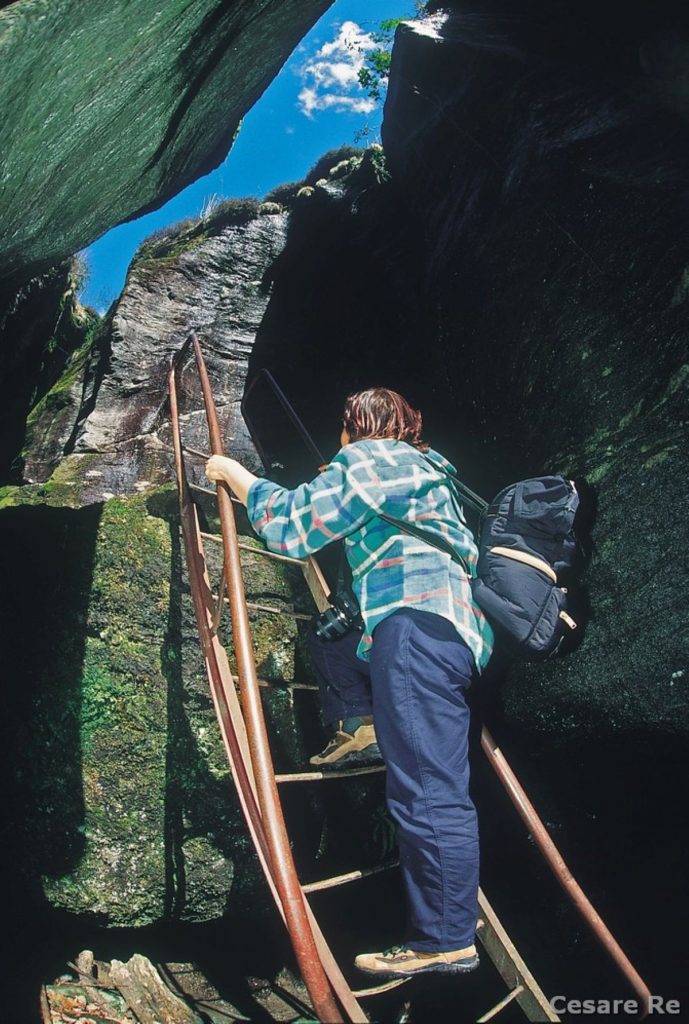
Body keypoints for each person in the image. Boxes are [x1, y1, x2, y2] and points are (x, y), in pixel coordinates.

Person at [205, 387, 494, 980]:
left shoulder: (369, 457)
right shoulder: (431, 469)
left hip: (413, 630)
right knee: (333, 636)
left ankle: (444, 940)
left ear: (352, 426)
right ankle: (361, 726)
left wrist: (236, 476)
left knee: (427, 791)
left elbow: (291, 528)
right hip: (446, 633)